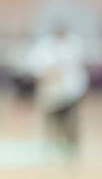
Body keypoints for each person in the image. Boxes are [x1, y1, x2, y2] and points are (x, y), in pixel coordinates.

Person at [25, 23, 89, 155]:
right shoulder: (44, 46)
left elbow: (78, 69)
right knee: (51, 119)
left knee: (70, 120)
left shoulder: (75, 44)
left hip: (70, 92)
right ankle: (51, 144)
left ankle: (72, 145)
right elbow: (37, 69)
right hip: (51, 91)